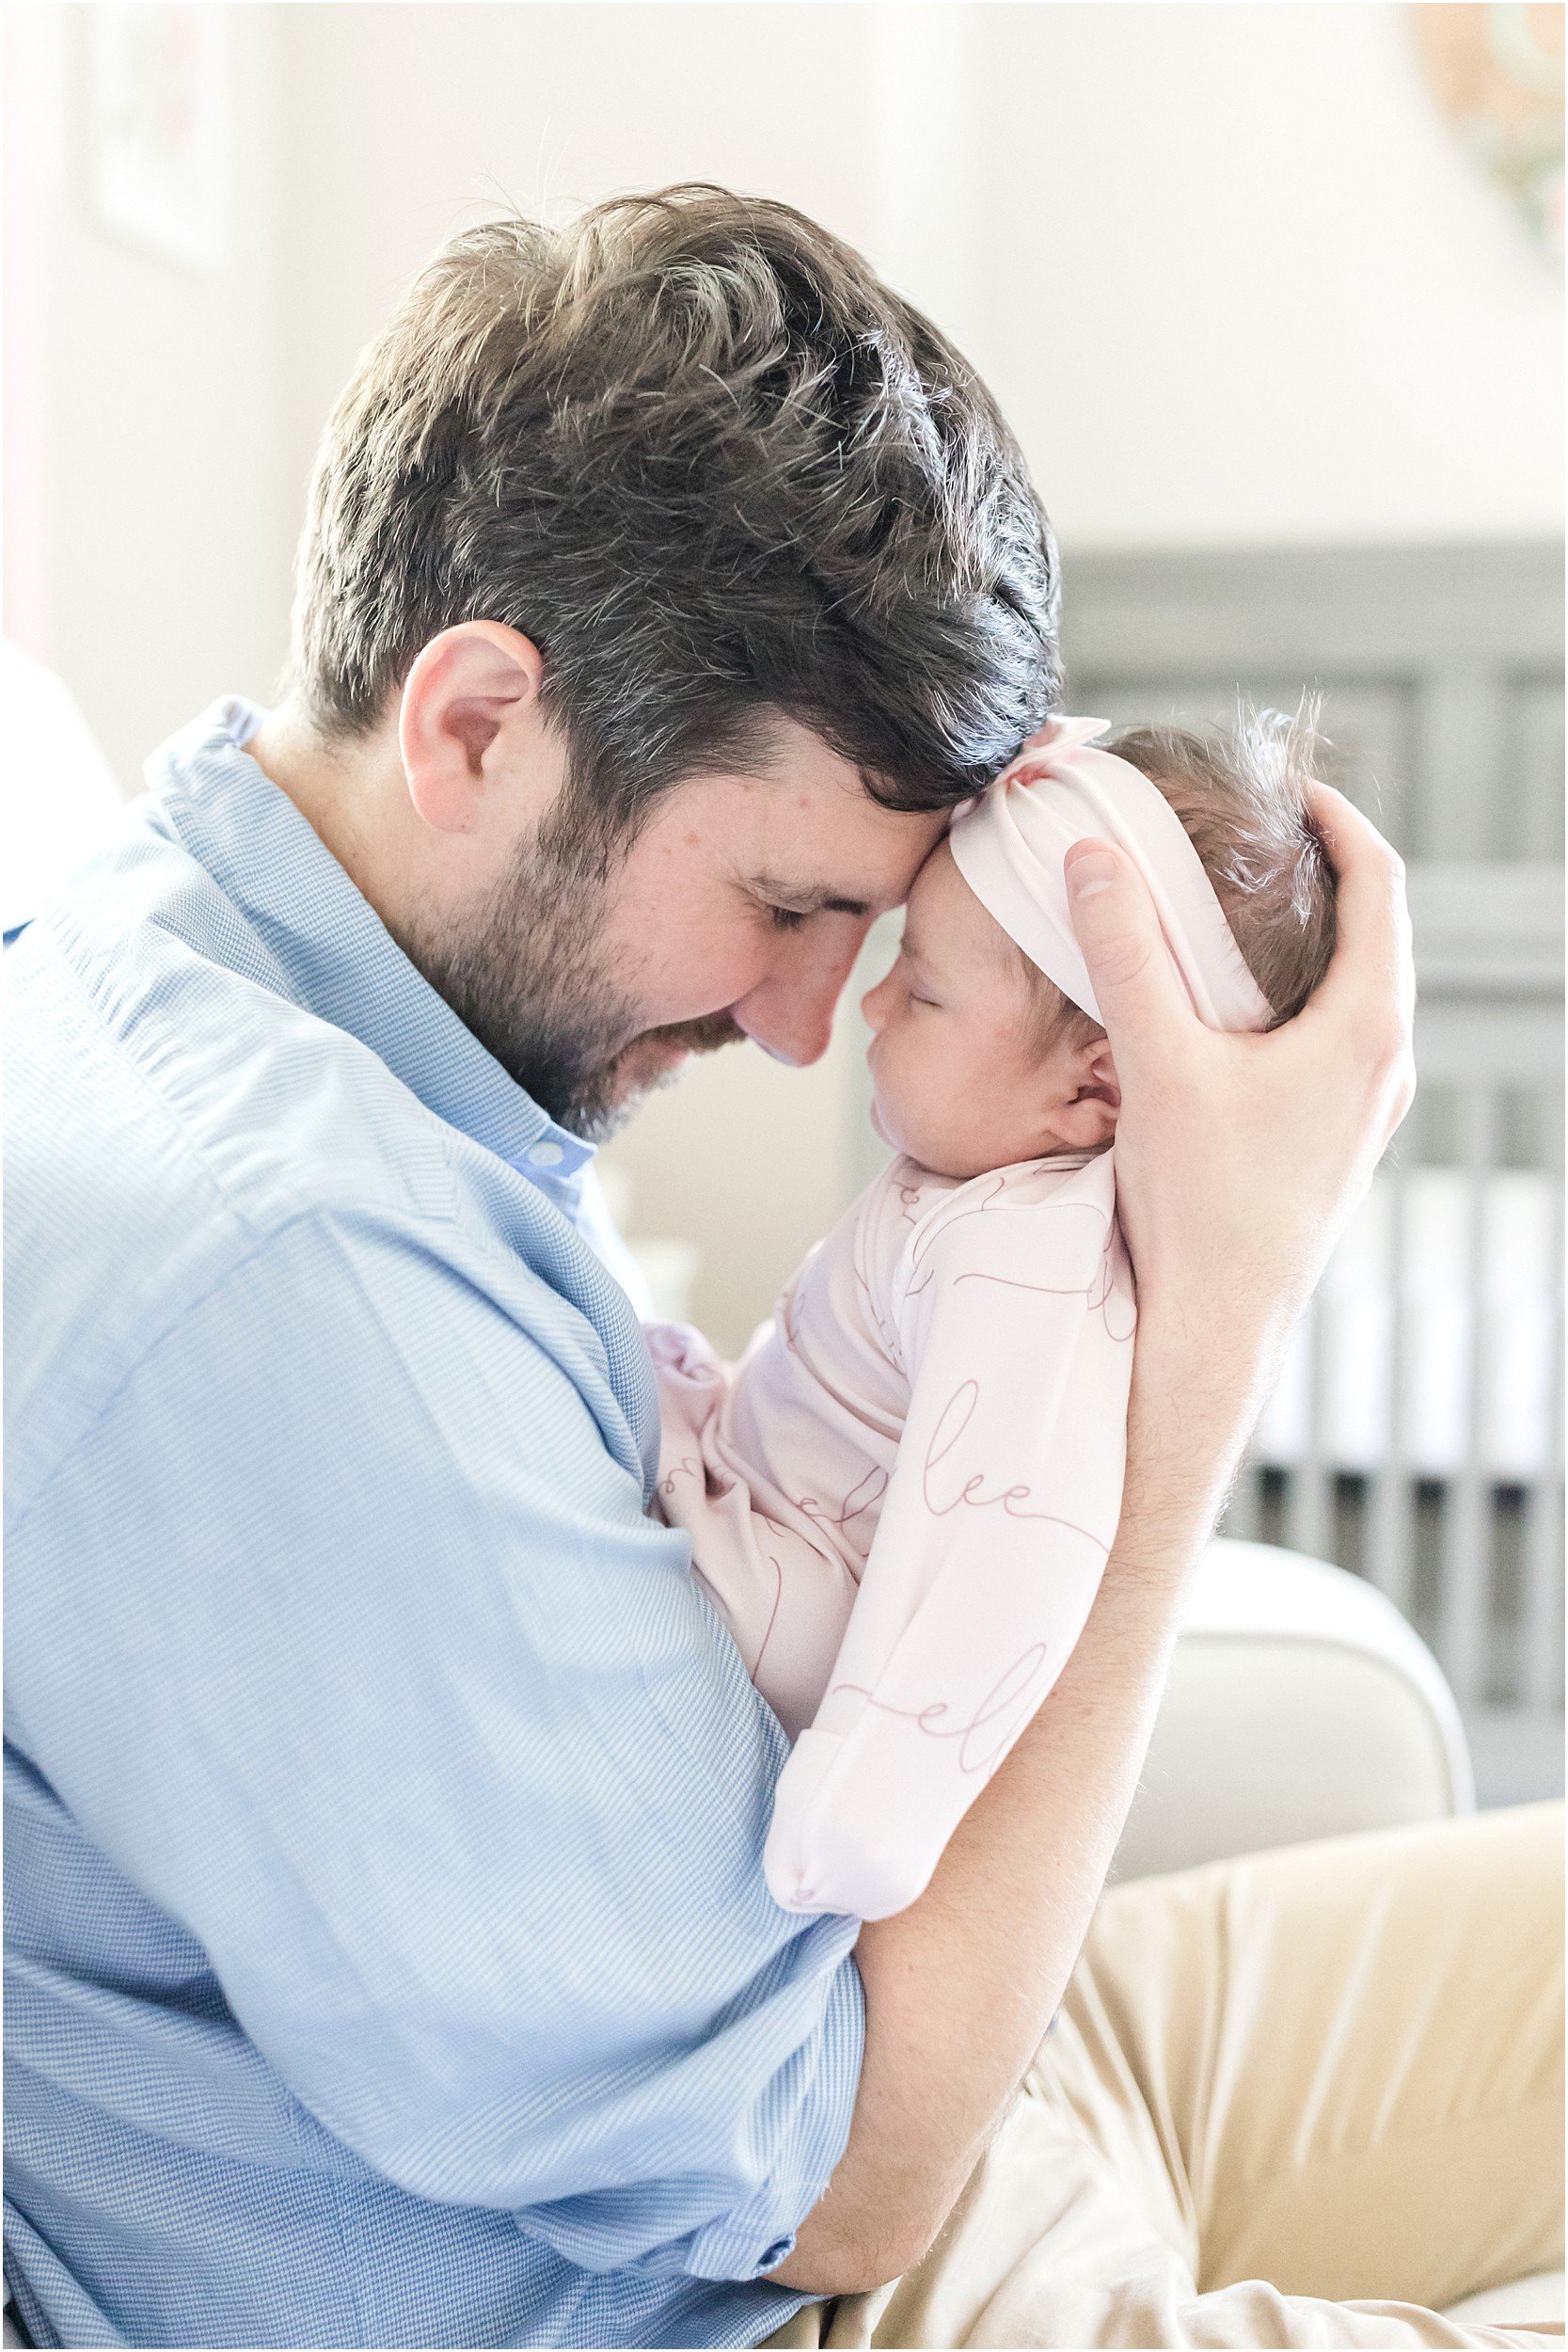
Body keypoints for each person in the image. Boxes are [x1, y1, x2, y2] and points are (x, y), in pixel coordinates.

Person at [3, 188, 1557, 2352]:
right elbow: (845, 2187)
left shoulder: (212, 969)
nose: (816, 1027)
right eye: (789, 899)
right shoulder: (281, 1282)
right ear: (476, 722)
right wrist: (1214, 1322)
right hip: (782, 2259)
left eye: (882, 928)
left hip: (906, 2047)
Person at [652, 710, 1334, 1924]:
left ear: (1095, 1085)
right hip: (773, 1500)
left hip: (800, 1615)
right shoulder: (980, 1203)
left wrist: (860, 1810)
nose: (867, 1010)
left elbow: (1007, 1548)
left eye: (920, 987)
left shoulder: (1027, 1260)